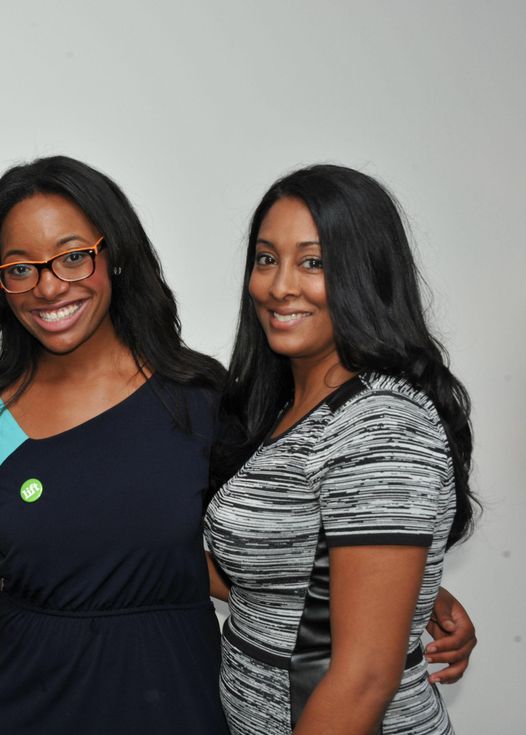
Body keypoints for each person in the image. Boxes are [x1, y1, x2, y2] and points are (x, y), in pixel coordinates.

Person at [0, 156, 231, 734]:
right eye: (21, 268)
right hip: (23, 713)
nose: (48, 287)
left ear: (114, 253)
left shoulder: (201, 399)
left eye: (73, 257)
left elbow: (257, 563)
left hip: (177, 707)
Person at [204, 164, 480, 734]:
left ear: (366, 274)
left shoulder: (380, 423)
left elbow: (365, 678)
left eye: (314, 262)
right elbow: (276, 580)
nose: (279, 286)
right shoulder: (277, 408)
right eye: (266, 258)